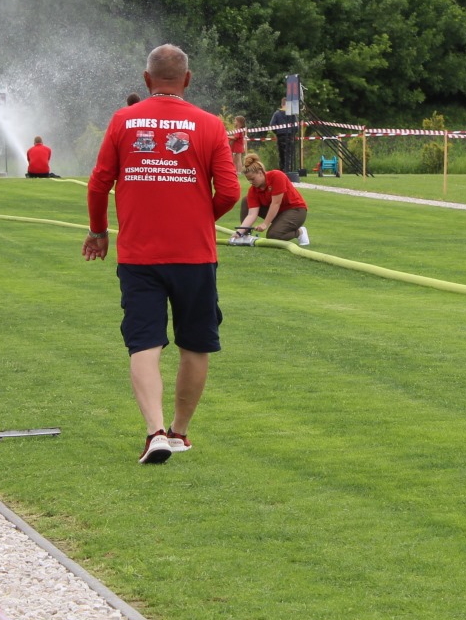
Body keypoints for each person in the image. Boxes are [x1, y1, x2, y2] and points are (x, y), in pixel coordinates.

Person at [85, 44, 240, 464]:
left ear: (146, 79)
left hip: (139, 255)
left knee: (144, 343)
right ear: (187, 80)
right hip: (194, 255)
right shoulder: (209, 124)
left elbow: (99, 184)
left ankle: (154, 431)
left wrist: (98, 231)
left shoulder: (123, 120)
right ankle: (179, 433)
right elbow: (229, 191)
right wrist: (198, 218)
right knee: (195, 344)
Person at [236, 153, 311, 245]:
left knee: (273, 235)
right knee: (246, 200)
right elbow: (252, 214)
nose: (251, 182)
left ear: (260, 173)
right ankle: (245, 236)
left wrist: (265, 224)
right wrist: (239, 233)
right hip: (279, 212)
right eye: (249, 180)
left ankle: (300, 232)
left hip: (295, 210)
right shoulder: (253, 190)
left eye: (253, 179)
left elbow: (276, 203)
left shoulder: (277, 176)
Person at [269, 100, 296, 178]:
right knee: (289, 154)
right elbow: (296, 126)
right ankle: (289, 170)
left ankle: (282, 171)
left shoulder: (277, 114)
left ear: (282, 104)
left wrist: (277, 132)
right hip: (290, 136)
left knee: (282, 155)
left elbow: (272, 125)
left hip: (281, 136)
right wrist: (292, 133)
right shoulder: (292, 114)